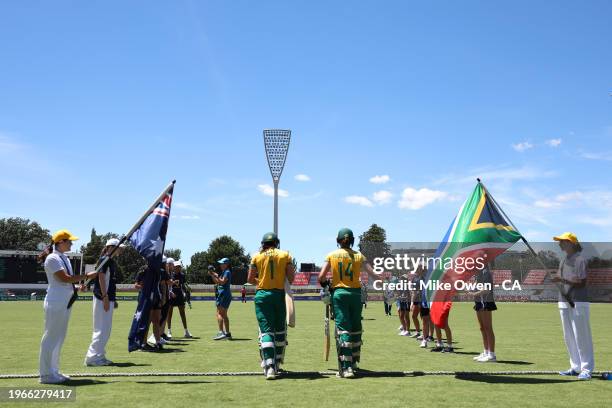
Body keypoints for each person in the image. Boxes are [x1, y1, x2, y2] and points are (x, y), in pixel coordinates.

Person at [318, 228, 379, 379]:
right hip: (356, 294)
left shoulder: (332, 255)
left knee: (343, 329)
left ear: (338, 240)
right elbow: (373, 274)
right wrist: (386, 280)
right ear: (352, 240)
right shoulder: (359, 256)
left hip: (339, 294)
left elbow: (321, 277)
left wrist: (328, 286)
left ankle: (347, 367)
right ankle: (355, 360)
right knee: (356, 327)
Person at [38, 230, 98, 384]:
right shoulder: (52, 258)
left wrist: (77, 287)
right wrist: (87, 276)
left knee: (59, 338)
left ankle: (54, 371)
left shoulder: (63, 258)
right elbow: (64, 279)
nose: (71, 243)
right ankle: (45, 374)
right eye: (69, 241)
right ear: (60, 242)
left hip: (64, 302)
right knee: (51, 338)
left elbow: (66, 283)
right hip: (56, 302)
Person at [248, 232, 296, 380]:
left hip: (262, 296)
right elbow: (291, 278)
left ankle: (269, 367)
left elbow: (250, 279)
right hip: (279, 295)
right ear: (276, 242)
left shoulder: (256, 256)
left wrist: (261, 282)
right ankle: (277, 363)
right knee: (280, 330)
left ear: (263, 243)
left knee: (266, 330)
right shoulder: (285, 255)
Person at [552, 232, 594, 380]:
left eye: (563, 241)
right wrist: (558, 279)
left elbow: (582, 282)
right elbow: (560, 278)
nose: (560, 244)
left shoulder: (580, 260)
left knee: (582, 336)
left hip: (578, 302)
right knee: (568, 336)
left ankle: (586, 369)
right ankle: (575, 367)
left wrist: (563, 279)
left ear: (572, 243)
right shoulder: (563, 260)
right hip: (563, 301)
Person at [84, 238, 124, 366]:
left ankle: (99, 355)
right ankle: (92, 357)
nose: (121, 250)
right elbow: (101, 277)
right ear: (111, 247)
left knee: (105, 329)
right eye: (119, 247)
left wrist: (112, 298)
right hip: (102, 298)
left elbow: (108, 280)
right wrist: (105, 296)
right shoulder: (105, 260)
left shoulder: (110, 261)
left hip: (107, 298)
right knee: (101, 328)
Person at [472, 264, 497, 362]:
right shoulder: (478, 272)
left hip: (485, 302)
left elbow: (487, 289)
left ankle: (492, 355)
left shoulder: (486, 272)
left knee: (488, 328)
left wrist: (474, 293)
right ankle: (486, 352)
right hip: (479, 302)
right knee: (482, 328)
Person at [167, 260, 192, 339]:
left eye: (179, 267)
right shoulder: (170, 275)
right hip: (171, 296)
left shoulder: (182, 275)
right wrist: (170, 292)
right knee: (169, 314)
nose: (178, 268)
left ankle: (186, 331)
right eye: (176, 267)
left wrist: (186, 293)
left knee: (182, 314)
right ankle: (169, 331)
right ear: (173, 267)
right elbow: (168, 286)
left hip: (180, 296)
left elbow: (183, 285)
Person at [209, 258, 232, 340]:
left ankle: (221, 332)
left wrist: (215, 275)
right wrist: (212, 274)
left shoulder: (227, 272)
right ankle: (227, 333)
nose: (220, 265)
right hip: (225, 294)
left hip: (223, 294)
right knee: (224, 314)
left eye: (222, 263)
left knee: (219, 313)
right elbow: (217, 281)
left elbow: (222, 282)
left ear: (226, 264)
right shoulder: (224, 272)